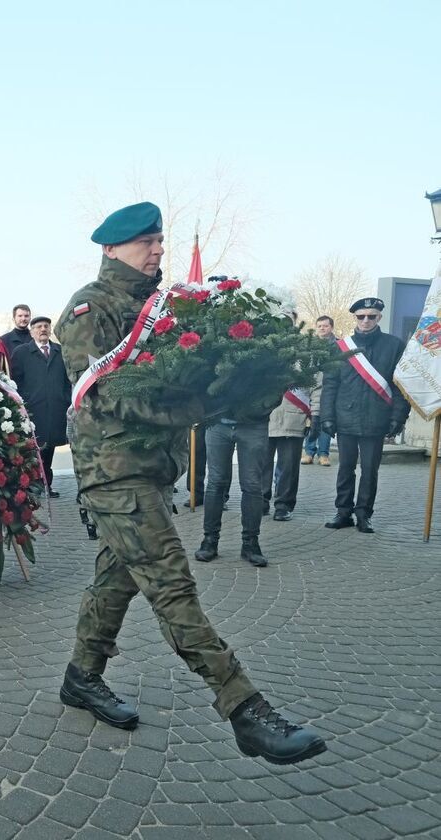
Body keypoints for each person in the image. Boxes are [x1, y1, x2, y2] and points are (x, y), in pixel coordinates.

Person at [55, 201, 325, 765]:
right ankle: (244, 709)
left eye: (160, 240)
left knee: (117, 580)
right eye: (146, 241)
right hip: (111, 470)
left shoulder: (166, 308)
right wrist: (197, 405)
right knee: (170, 583)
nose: (158, 249)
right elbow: (106, 394)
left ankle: (82, 676)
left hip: (151, 469)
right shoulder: (90, 308)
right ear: (111, 247)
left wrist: (241, 383)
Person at [321, 297, 410, 533]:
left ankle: (363, 514)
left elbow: (401, 386)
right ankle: (343, 512)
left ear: (379, 317)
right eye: (361, 316)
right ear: (355, 318)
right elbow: (330, 384)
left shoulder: (394, 345)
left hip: (377, 418)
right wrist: (326, 416)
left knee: (370, 470)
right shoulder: (340, 347)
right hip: (345, 417)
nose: (366, 320)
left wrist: (397, 417)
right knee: (345, 468)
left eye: (372, 316)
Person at [195, 404, 273, 567]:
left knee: (252, 484)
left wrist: (263, 407)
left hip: (254, 423)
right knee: (216, 482)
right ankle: (210, 540)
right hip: (217, 421)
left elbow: (278, 386)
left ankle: (251, 543)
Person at [7, 316, 70, 497]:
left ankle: (46, 485)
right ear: (32, 331)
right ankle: (31, 485)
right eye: (38, 327)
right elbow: (14, 380)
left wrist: (65, 399)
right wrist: (22, 402)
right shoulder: (22, 352)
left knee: (49, 448)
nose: (43, 329)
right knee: (32, 449)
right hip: (33, 409)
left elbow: (67, 380)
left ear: (50, 330)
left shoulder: (60, 351)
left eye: (46, 326)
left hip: (56, 408)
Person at [263, 379, 318, 522]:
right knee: (261, 464)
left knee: (289, 467)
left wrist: (316, 416)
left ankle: (283, 505)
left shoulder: (310, 357)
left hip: (294, 418)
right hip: (263, 417)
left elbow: (317, 388)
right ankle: (259, 501)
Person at [302, 315, 337, 465]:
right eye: (320, 326)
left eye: (326, 326)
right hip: (311, 386)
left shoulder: (338, 346)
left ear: (331, 327)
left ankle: (324, 454)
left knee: (325, 421)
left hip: (330, 389)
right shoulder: (309, 345)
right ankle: (309, 452)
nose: (322, 328)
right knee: (310, 421)